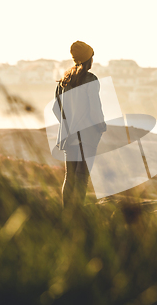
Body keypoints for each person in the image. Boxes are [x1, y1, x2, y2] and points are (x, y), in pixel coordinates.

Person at [54, 41, 106, 207]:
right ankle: (77, 215)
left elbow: (56, 108)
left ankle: (67, 214)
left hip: (69, 134)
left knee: (70, 177)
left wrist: (66, 123)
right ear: (89, 59)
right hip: (87, 135)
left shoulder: (65, 79)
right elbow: (95, 109)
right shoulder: (91, 79)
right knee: (82, 176)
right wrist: (100, 126)